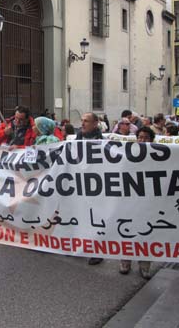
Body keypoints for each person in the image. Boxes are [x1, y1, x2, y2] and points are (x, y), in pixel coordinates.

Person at [119, 126, 156, 279]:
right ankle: (125, 261)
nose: (142, 140)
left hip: (147, 201)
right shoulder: (128, 154)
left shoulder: (157, 156)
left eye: (145, 138)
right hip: (129, 199)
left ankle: (144, 265)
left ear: (151, 140)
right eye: (139, 137)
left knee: (146, 231)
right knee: (126, 230)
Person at [75, 112, 104, 265]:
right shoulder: (78, 136)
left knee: (96, 219)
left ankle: (97, 251)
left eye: (86, 121)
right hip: (80, 184)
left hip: (96, 186)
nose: (82, 124)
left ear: (95, 123)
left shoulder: (101, 140)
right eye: (82, 121)